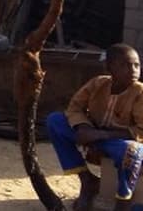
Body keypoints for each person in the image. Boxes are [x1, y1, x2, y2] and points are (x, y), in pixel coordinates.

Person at [46, 43, 143, 211]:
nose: (133, 69)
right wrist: (83, 127)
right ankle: (87, 181)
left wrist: (102, 135)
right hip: (92, 135)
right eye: (125, 65)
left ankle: (123, 201)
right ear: (110, 68)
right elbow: (74, 108)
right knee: (55, 120)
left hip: (120, 142)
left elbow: (141, 131)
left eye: (136, 65)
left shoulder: (140, 92)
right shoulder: (98, 83)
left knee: (133, 151)